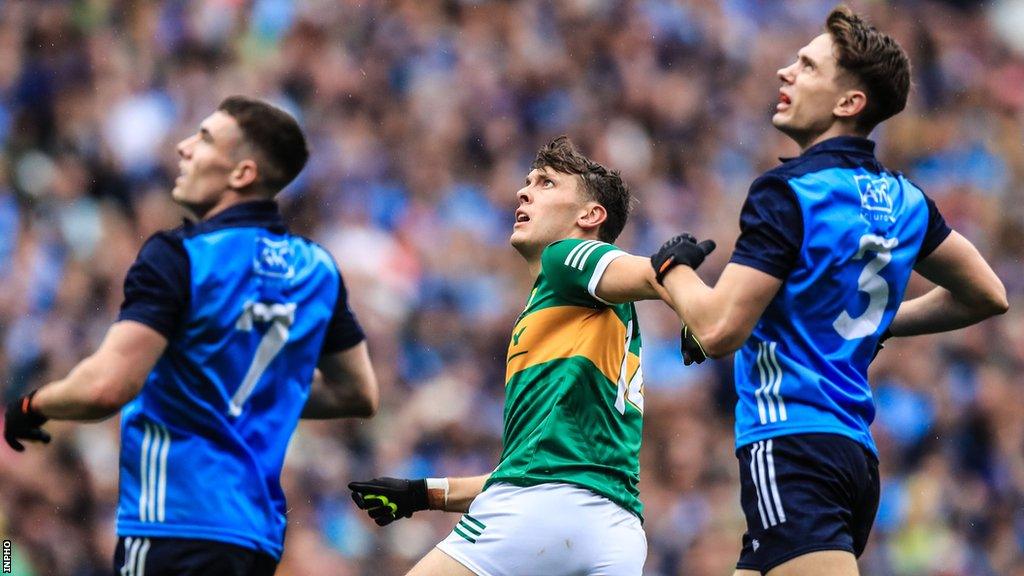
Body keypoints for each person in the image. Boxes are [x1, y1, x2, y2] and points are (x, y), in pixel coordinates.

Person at [652, 6, 1008, 576]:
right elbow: (987, 294)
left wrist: (670, 270)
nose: (784, 73)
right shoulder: (906, 199)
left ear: (849, 103)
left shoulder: (789, 193)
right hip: (851, 456)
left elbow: (718, 329)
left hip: (793, 447)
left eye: (808, 67)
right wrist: (877, 323)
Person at [3, 95, 379, 576]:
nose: (183, 147)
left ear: (242, 173)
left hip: (171, 527)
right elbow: (358, 392)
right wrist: (245, 391)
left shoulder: (180, 256)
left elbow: (106, 388)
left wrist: (32, 405)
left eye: (203, 139)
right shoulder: (318, 270)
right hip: (254, 540)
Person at [348, 136, 693, 576]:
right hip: (618, 531)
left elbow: (649, 270)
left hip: (541, 511)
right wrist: (422, 493)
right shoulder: (589, 316)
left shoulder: (563, 258)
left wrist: (682, 291)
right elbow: (548, 467)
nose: (524, 191)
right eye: (528, 181)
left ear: (590, 216)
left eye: (546, 183)